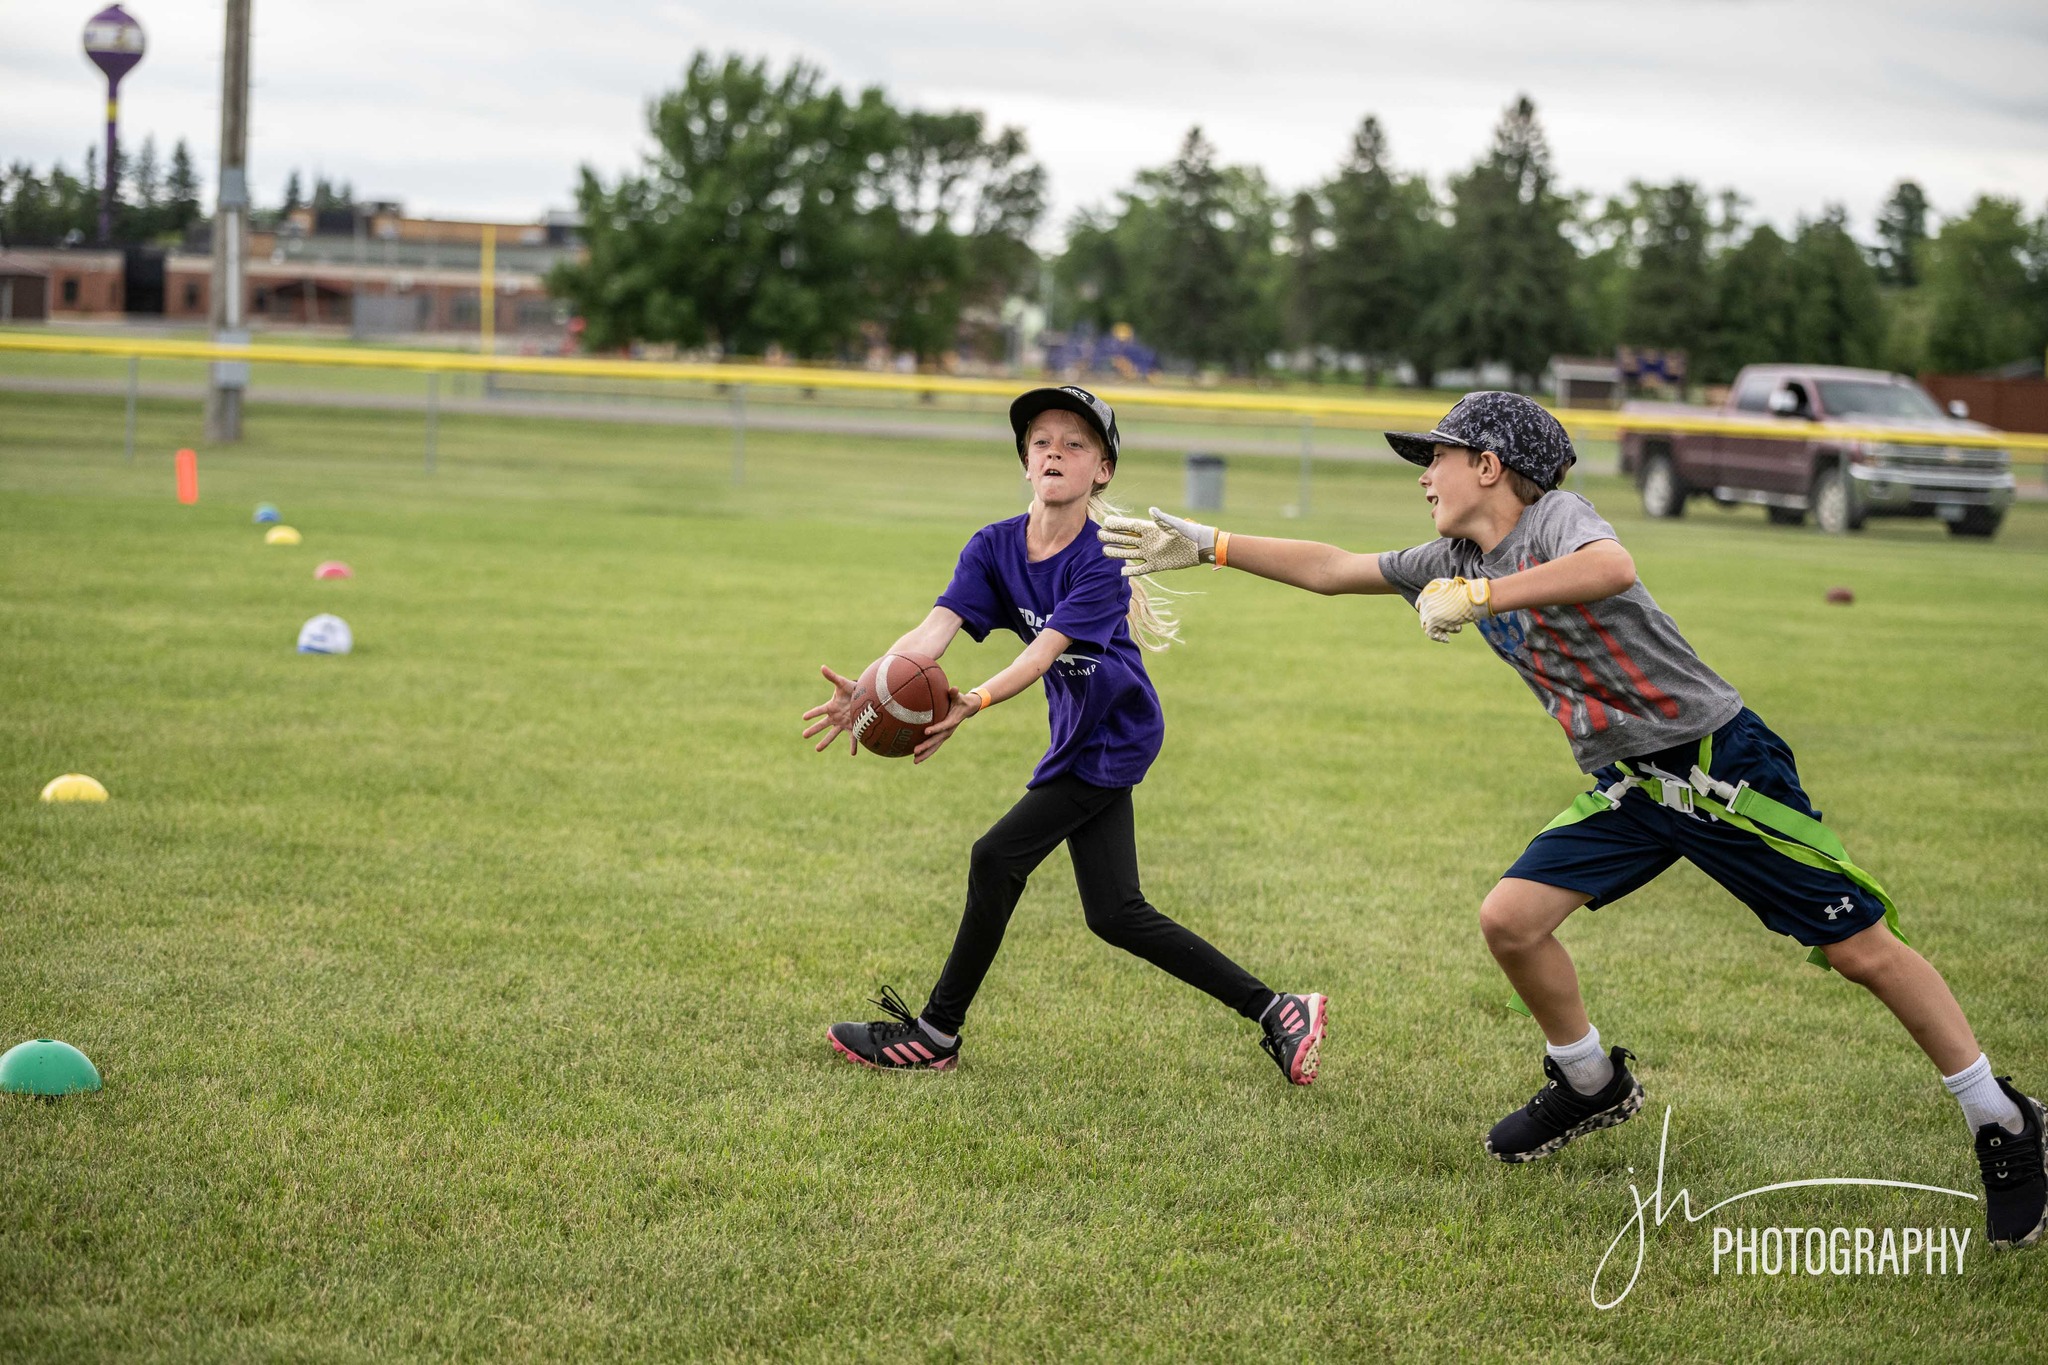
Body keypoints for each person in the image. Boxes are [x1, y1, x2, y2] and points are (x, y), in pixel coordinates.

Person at [1100, 390, 2043, 1250]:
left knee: (1859, 949)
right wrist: (1212, 543)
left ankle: (2000, 1117)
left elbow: (1610, 565)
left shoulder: (1553, 519)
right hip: (1634, 782)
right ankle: (1592, 1082)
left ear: (1491, 466)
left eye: (1435, 456)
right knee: (1510, 919)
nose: (1421, 475)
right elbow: (1335, 567)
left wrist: (1487, 596)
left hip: (1719, 768)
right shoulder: (1453, 555)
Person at [803, 385, 1328, 1084]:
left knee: (996, 857)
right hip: (1079, 731)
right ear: (1024, 460)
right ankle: (1278, 1009)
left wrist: (976, 699)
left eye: (1074, 443)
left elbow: (1040, 653)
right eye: (1041, 441)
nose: (1055, 451)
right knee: (1115, 911)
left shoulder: (1101, 557)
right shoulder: (992, 546)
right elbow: (931, 634)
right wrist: (872, 684)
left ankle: (935, 1033)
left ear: (1101, 470)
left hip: (1113, 733)